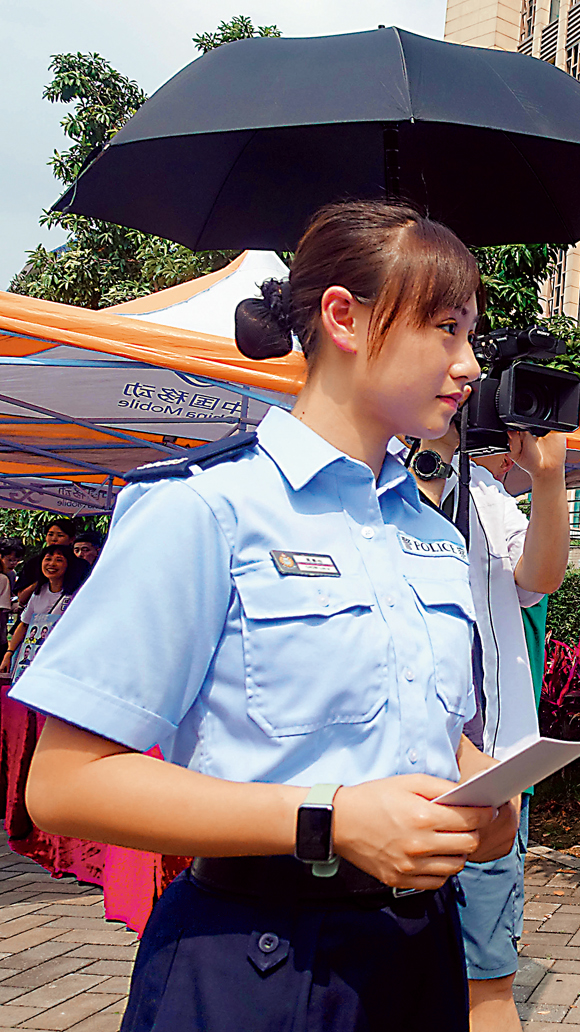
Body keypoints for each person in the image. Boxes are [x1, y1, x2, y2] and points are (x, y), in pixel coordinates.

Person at [11, 200, 519, 1032]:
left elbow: (433, 732)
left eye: (471, 336)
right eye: (445, 328)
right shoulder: (205, 509)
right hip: (255, 959)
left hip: (418, 952)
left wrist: (483, 798)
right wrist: (333, 817)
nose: (469, 366)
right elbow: (64, 785)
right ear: (344, 318)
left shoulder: (432, 534)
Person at [406, 419, 569, 1032]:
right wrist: (432, 458)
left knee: (489, 979)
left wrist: (547, 482)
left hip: (492, 768)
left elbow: (539, 579)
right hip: (394, 772)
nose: (464, 372)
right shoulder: (368, 479)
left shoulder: (485, 494)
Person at [2, 544, 89, 681]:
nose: (52, 564)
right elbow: (24, 625)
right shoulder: (38, 592)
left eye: (59, 560)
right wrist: (9, 653)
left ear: (69, 565)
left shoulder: (77, 595)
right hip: (30, 661)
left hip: (60, 663)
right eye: (48, 559)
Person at [13, 519, 75, 609]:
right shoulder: (33, 563)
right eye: (50, 534)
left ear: (72, 539)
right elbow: (21, 599)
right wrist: (40, 582)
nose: (54, 539)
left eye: (60, 535)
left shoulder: (79, 564)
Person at [0, 540, 23, 639]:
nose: (13, 563)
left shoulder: (11, 574)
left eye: (16, 561)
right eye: (10, 560)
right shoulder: (3, 578)